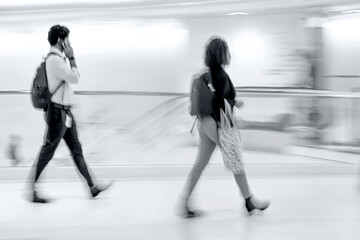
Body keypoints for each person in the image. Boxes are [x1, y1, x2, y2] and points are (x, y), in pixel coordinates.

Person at [178, 36, 270, 217]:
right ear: (222, 54)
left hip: (204, 123)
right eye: (226, 52)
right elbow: (222, 102)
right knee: (236, 161)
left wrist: (232, 103)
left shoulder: (204, 75)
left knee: (200, 164)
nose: (229, 55)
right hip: (218, 125)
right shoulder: (220, 75)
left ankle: (184, 202)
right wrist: (235, 110)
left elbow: (216, 99)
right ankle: (249, 200)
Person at [30, 25, 112, 203]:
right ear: (61, 41)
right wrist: (72, 58)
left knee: (77, 151)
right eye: (67, 39)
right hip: (58, 113)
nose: (70, 43)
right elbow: (74, 78)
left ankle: (92, 186)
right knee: (47, 151)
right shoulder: (55, 60)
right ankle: (32, 189)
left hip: (66, 113)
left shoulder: (58, 59)